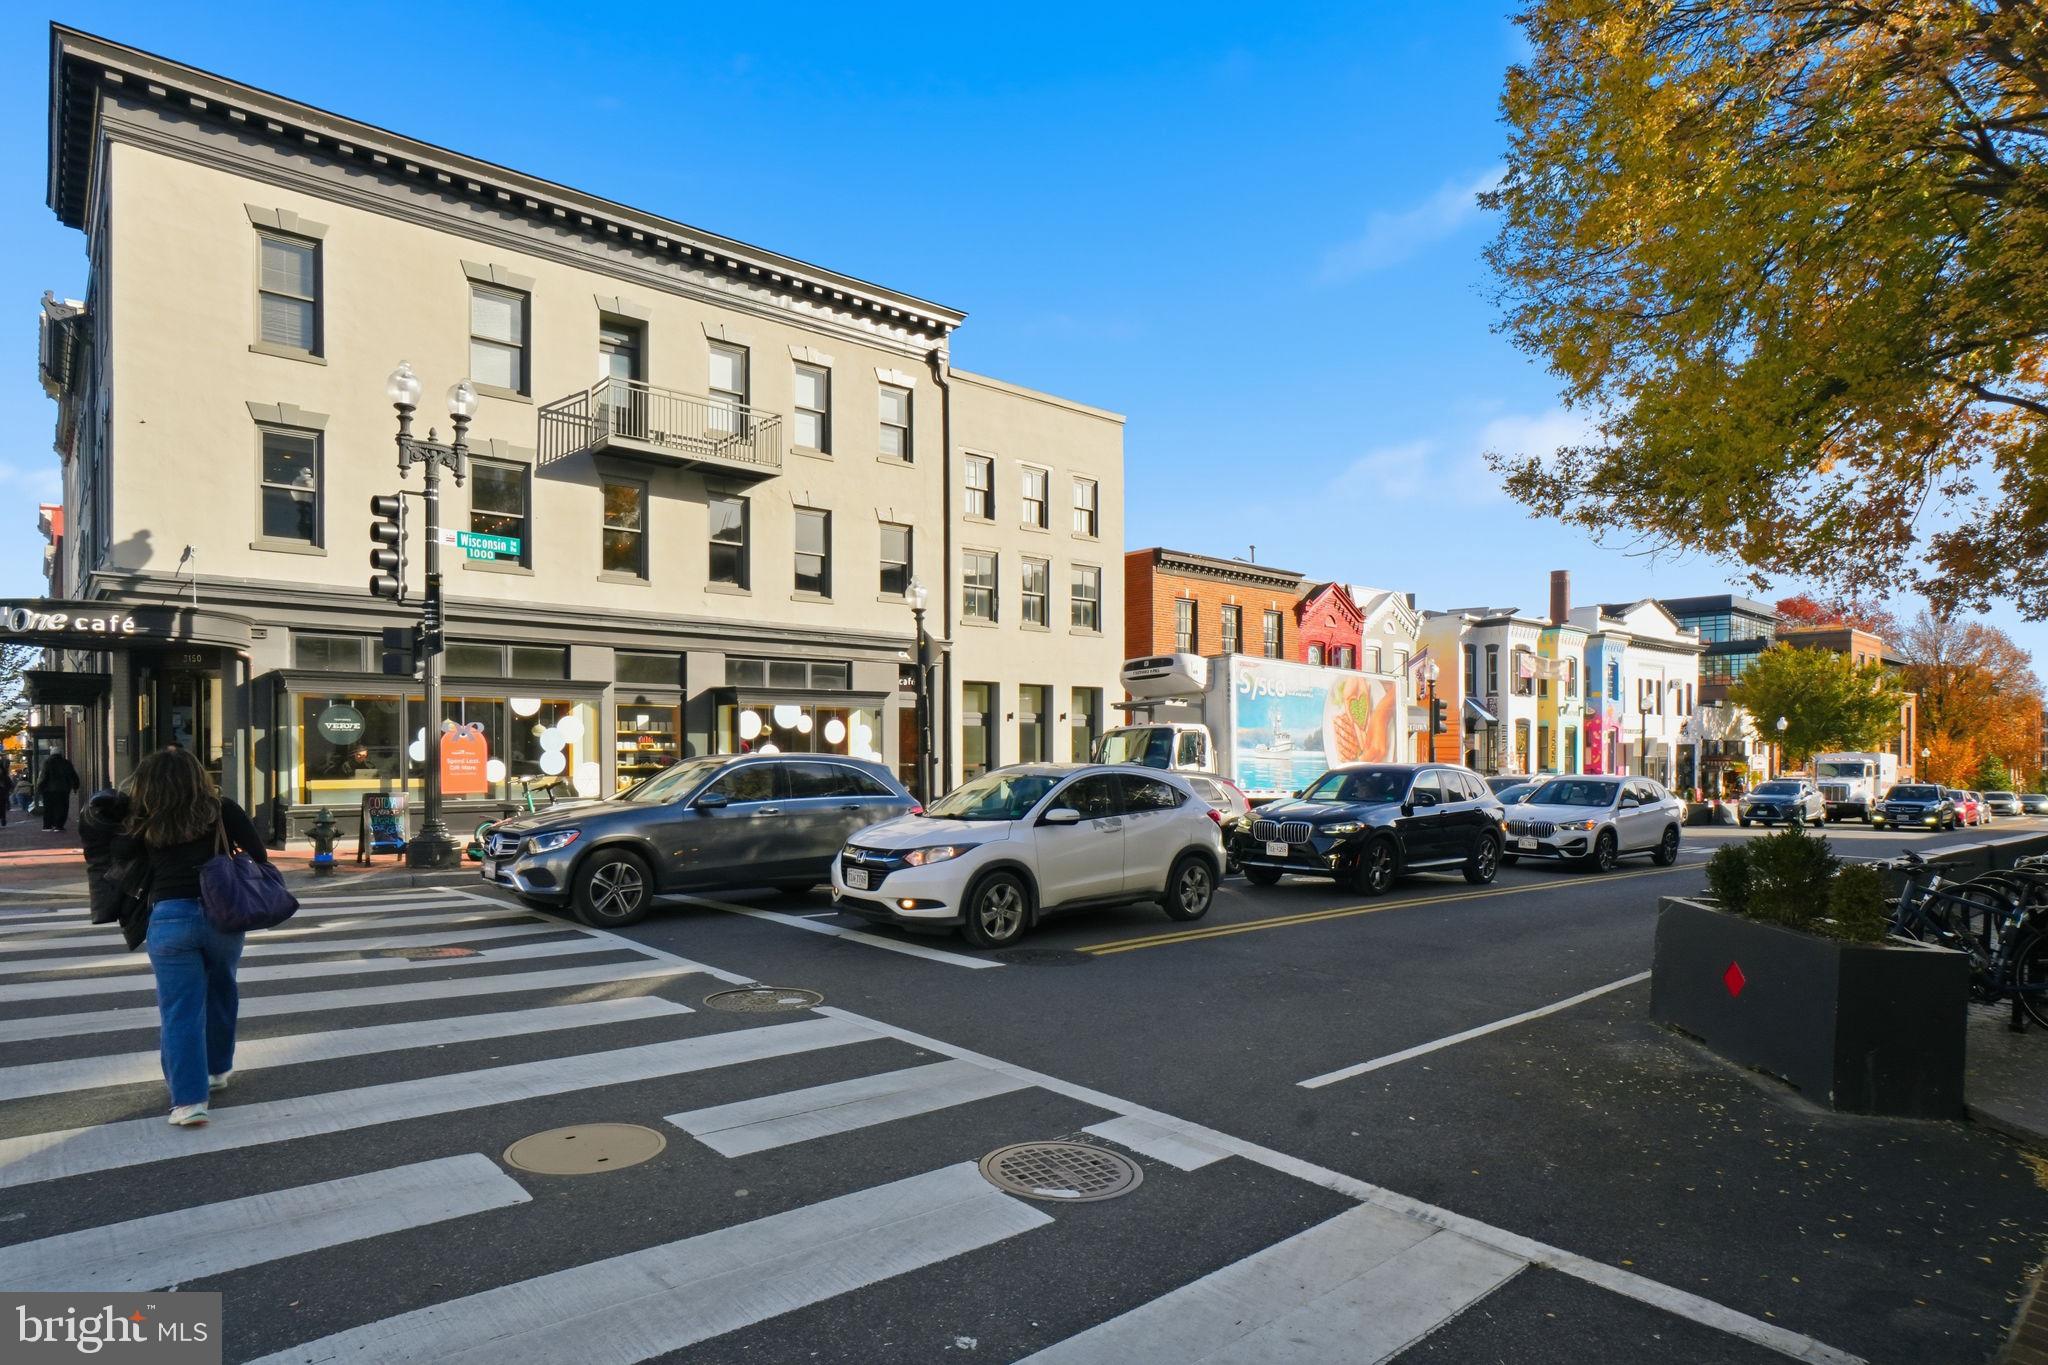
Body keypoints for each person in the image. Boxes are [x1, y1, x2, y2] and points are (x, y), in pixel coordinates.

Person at [113, 748, 268, 1127]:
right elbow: (260, 855)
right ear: (199, 775)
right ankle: (217, 1069)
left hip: (170, 916)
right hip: (223, 915)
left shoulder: (142, 817)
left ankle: (188, 1101)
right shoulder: (222, 809)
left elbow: (117, 858)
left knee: (180, 1009)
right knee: (222, 990)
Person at [37, 749, 81, 833]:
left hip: (48, 790)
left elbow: (43, 776)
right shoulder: (66, 763)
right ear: (61, 754)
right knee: (62, 807)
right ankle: (59, 826)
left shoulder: (47, 762)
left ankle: (47, 826)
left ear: (51, 754)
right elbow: (73, 775)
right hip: (63, 790)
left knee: (48, 808)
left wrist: (40, 787)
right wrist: (75, 786)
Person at [0, 761, 13, 826]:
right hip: (3, 793)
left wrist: (6, 790)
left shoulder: (5, 776)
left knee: (2, 807)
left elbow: (10, 784)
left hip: (2, 794)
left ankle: (3, 818)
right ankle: (3, 818)